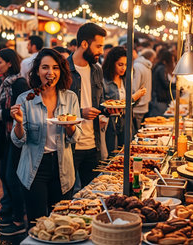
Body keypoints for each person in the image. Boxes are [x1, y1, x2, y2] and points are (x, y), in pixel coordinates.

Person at [10, 48, 82, 227]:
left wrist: (70, 125)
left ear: (61, 71)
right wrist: (19, 123)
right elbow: (18, 140)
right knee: (38, 224)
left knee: (61, 223)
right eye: (45, 67)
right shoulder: (25, 99)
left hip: (62, 166)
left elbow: (75, 138)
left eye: (55, 68)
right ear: (37, 71)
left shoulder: (70, 97)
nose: (50, 72)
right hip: (35, 167)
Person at [67, 22, 114, 188]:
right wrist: (80, 113)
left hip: (93, 144)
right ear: (84, 44)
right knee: (68, 194)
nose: (101, 51)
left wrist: (109, 109)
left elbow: (100, 103)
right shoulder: (64, 69)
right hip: (70, 145)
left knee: (92, 192)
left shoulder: (97, 69)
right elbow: (56, 109)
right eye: (98, 46)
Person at [0, 48, 29, 235]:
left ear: (9, 63)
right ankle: (10, 209)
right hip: (4, 135)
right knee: (4, 175)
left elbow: (19, 111)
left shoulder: (19, 83)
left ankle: (19, 218)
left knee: (13, 177)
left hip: (16, 134)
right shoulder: (1, 82)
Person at [102, 46, 146, 154]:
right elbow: (103, 105)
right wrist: (134, 97)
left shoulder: (125, 80)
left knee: (126, 153)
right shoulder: (104, 81)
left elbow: (131, 105)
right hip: (110, 125)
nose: (123, 68)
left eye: (126, 65)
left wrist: (137, 97)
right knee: (112, 155)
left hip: (126, 123)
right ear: (112, 63)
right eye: (120, 64)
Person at [132, 48, 156, 132]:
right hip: (144, 103)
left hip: (138, 105)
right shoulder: (146, 66)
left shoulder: (137, 66)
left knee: (136, 131)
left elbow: (134, 87)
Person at [149, 49, 174, 117]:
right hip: (160, 99)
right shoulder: (161, 68)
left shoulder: (158, 66)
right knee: (159, 119)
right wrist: (177, 85)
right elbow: (165, 84)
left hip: (158, 98)